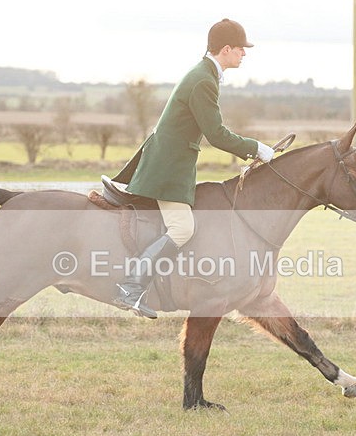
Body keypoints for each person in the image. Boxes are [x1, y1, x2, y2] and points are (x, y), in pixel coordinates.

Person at [113, 18, 275, 319]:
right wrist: (256, 148)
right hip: (167, 168)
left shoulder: (206, 75)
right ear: (225, 49)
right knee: (182, 227)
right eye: (241, 49)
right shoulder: (204, 80)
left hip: (173, 165)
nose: (244, 54)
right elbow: (215, 134)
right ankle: (131, 288)